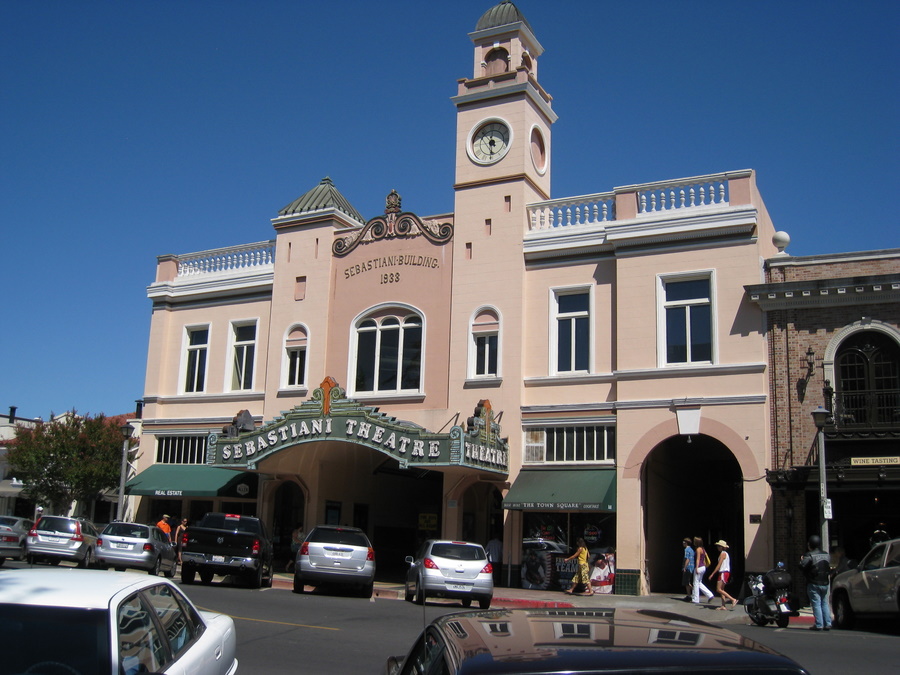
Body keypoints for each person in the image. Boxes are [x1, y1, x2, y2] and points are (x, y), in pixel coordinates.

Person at [800, 534, 832, 631]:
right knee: (824, 603)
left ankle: (819, 624)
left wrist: (801, 560)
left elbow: (802, 566)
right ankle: (828, 623)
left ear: (810, 544)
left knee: (816, 603)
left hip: (814, 583)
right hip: (825, 582)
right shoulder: (826, 555)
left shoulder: (809, 555)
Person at [708, 540, 738, 609]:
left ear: (722, 547)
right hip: (724, 572)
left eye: (719, 546)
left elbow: (719, 565)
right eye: (718, 546)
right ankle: (723, 605)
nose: (718, 547)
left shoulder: (723, 554)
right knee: (722, 589)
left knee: (718, 589)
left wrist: (712, 574)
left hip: (723, 572)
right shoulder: (724, 553)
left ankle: (733, 599)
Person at [692, 536, 715, 603]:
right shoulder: (703, 549)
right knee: (699, 583)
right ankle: (710, 595)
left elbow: (698, 559)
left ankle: (695, 599)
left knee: (696, 583)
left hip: (699, 567)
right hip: (703, 567)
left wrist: (696, 568)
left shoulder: (698, 549)